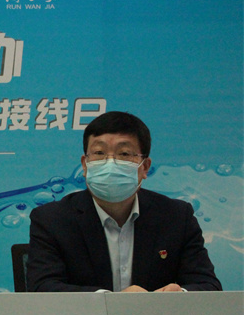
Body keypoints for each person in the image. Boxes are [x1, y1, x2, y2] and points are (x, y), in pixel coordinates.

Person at [27, 111, 222, 293]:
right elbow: (43, 288)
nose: (110, 163)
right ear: (85, 165)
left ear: (144, 167)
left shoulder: (177, 216)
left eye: (124, 154)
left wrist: (177, 296)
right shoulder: (51, 219)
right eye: (99, 153)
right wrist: (113, 302)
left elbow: (208, 285)